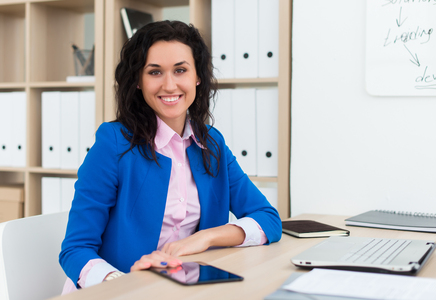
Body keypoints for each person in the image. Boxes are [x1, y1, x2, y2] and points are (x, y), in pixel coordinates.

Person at [59, 20, 282, 292]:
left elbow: (268, 219)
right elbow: (75, 250)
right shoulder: (114, 143)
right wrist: (122, 282)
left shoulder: (211, 144)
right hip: (116, 290)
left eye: (180, 70)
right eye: (155, 72)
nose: (169, 84)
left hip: (182, 288)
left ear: (197, 76)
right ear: (138, 81)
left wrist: (205, 238)